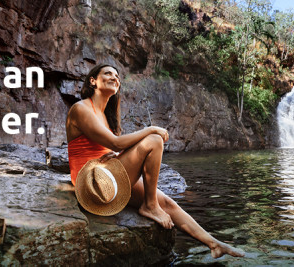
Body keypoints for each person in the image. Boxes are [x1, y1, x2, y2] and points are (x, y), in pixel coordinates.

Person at [65, 64, 245, 258]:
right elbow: (116, 143)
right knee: (154, 140)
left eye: (117, 76)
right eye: (108, 73)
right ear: (93, 81)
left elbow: (109, 147)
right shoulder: (80, 108)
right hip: (91, 185)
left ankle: (214, 244)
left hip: (106, 177)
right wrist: (150, 129)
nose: (114, 78)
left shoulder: (106, 114)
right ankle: (150, 206)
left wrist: (113, 155)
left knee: (167, 203)